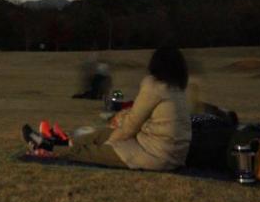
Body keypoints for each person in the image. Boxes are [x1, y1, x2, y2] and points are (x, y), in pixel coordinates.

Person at [23, 46, 192, 171]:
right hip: (168, 153)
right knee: (100, 133)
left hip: (154, 155)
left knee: (91, 152)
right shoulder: (177, 89)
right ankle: (60, 139)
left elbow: (131, 125)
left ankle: (48, 147)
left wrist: (112, 142)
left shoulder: (154, 85)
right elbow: (145, 117)